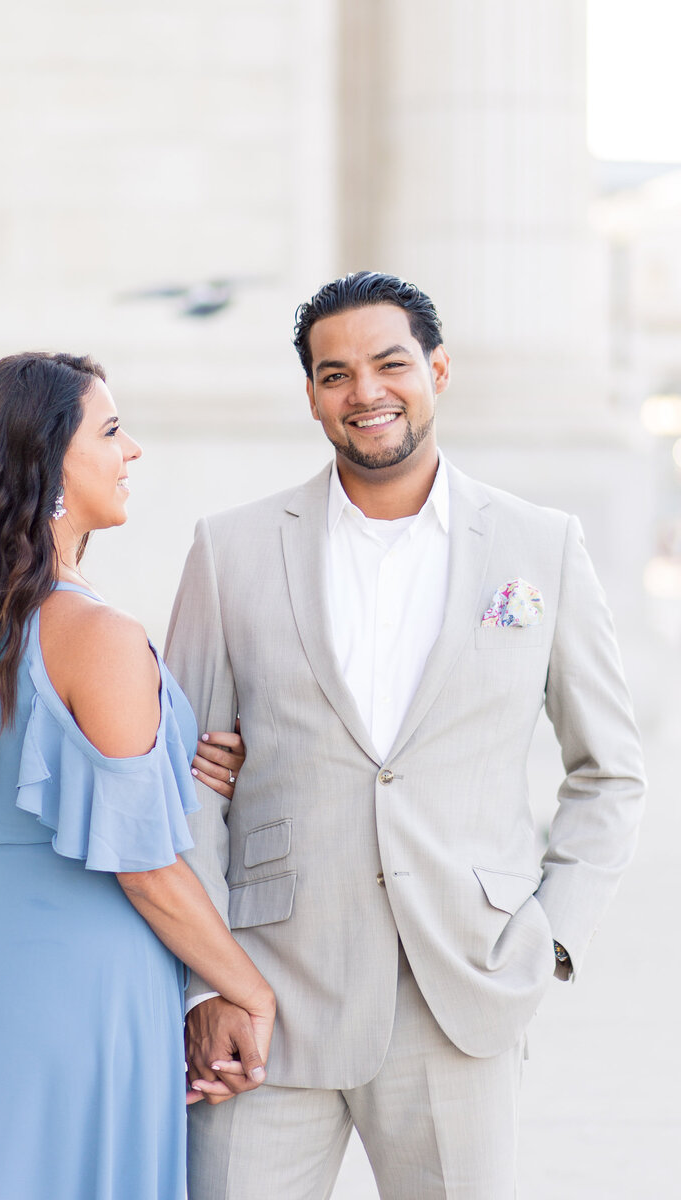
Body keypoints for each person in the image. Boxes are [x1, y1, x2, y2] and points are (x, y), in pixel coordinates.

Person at [164, 272, 647, 1199]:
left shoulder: (540, 546)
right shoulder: (230, 550)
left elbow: (610, 772)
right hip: (267, 996)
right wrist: (206, 982)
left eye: (390, 364)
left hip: (462, 995)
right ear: (311, 395)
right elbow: (183, 783)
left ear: (438, 370)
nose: (366, 392)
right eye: (335, 373)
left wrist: (549, 937)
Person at [0, 352, 275, 1200]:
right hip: (76, 976)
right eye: (109, 430)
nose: (131, 450)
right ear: (50, 460)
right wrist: (251, 990)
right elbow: (144, 864)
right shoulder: (93, 631)